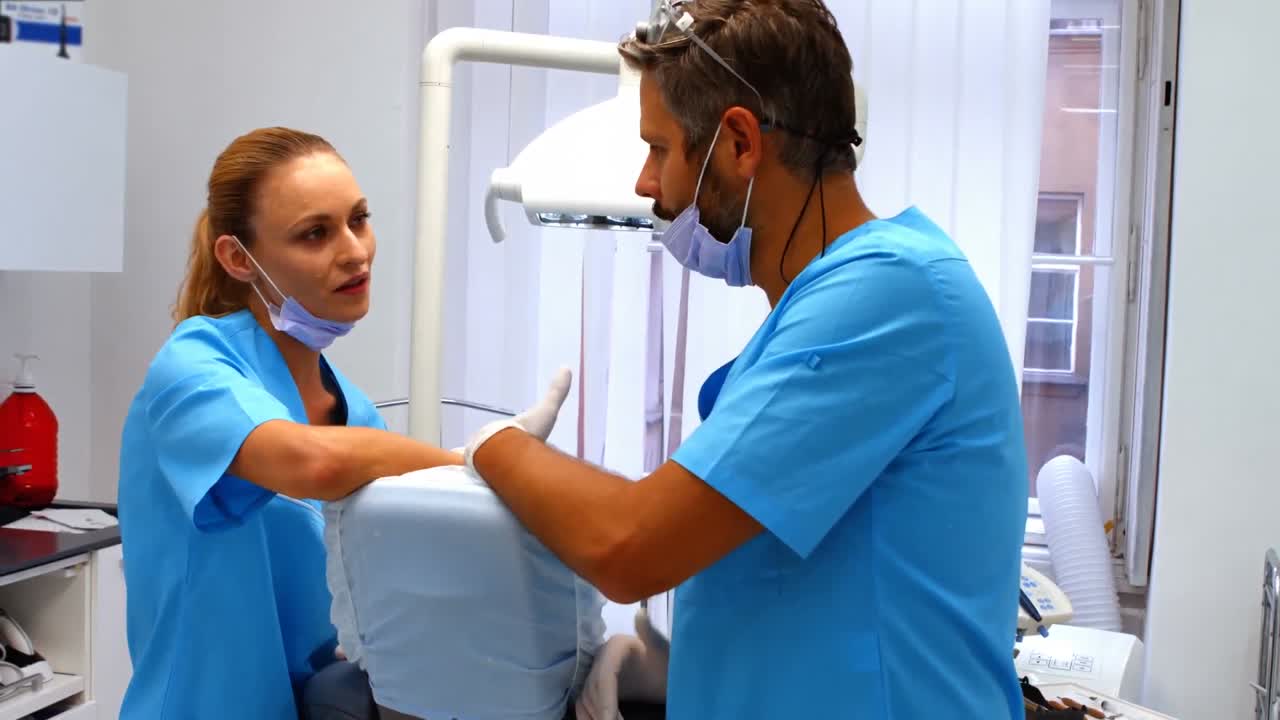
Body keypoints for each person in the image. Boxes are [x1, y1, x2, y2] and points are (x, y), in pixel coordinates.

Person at [461, 1, 1030, 718]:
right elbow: (809, 576)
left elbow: (628, 546)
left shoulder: (892, 293)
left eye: (659, 148)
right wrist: (676, 665)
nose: (645, 184)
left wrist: (493, 447)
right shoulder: (829, 303)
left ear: (738, 142)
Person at [115, 127, 566, 719]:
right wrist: (480, 461)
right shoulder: (193, 369)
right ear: (237, 258)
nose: (355, 250)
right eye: (315, 233)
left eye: (359, 219)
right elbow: (311, 463)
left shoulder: (355, 411)